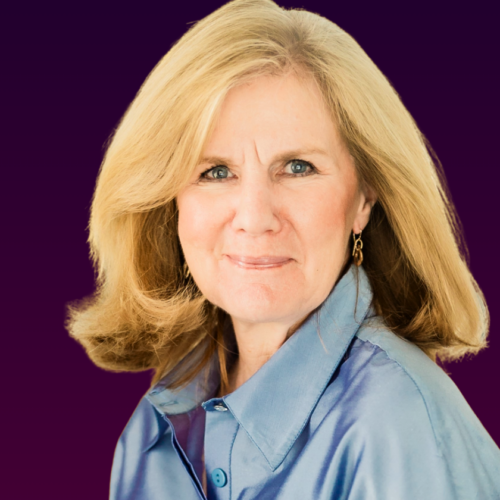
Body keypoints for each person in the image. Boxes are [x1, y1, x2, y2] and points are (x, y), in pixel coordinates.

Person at [65, 0, 500, 498]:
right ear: (170, 203)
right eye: (216, 172)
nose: (254, 217)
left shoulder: (397, 424)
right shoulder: (155, 426)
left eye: (297, 167)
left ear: (364, 199)